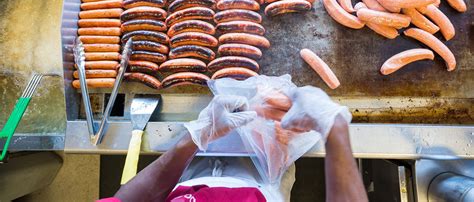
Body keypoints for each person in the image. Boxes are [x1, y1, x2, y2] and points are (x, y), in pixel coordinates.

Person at [113, 86, 368, 202]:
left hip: (183, 186)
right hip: (266, 189)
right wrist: (333, 125)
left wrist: (194, 138)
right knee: (282, 154)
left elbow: (125, 200)